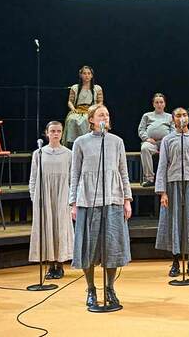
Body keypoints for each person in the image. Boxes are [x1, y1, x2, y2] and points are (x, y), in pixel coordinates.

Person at [69, 104, 132, 308]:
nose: (104, 116)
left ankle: (110, 288)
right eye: (100, 114)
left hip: (113, 200)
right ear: (91, 120)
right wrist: (73, 203)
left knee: (112, 248)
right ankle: (90, 288)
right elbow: (74, 174)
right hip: (87, 201)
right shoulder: (80, 142)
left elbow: (123, 172)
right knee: (89, 248)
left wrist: (127, 199)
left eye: (106, 113)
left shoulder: (117, 142)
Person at [155, 107, 189, 277]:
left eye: (184, 115)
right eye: (178, 115)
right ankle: (175, 261)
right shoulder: (168, 140)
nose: (182, 118)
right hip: (173, 184)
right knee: (175, 221)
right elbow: (162, 165)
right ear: (173, 120)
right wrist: (162, 192)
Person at [28, 121, 74, 279]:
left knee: (60, 227)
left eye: (59, 131)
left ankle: (60, 265)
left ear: (62, 133)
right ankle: (50, 266)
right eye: (53, 131)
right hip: (44, 196)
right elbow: (33, 178)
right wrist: (34, 197)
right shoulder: (38, 153)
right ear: (46, 133)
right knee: (46, 228)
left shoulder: (68, 154)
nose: (56, 134)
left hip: (62, 195)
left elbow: (72, 179)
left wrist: (71, 199)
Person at [63, 65, 104, 148]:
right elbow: (70, 101)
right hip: (78, 111)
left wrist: (93, 109)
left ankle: (88, 142)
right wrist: (73, 109)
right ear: (81, 75)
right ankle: (72, 143)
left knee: (86, 120)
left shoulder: (97, 88)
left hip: (91, 111)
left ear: (92, 75)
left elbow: (100, 102)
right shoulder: (75, 88)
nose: (87, 75)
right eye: (84, 73)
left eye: (89, 73)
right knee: (72, 119)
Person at [138, 93, 173, 187]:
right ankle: (149, 178)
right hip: (151, 142)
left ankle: (168, 178)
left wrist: (166, 140)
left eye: (161, 102)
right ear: (153, 104)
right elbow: (141, 130)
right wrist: (147, 139)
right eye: (156, 102)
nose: (159, 104)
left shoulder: (170, 117)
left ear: (165, 104)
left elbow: (173, 131)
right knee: (145, 148)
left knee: (174, 149)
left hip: (165, 143)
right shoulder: (147, 115)